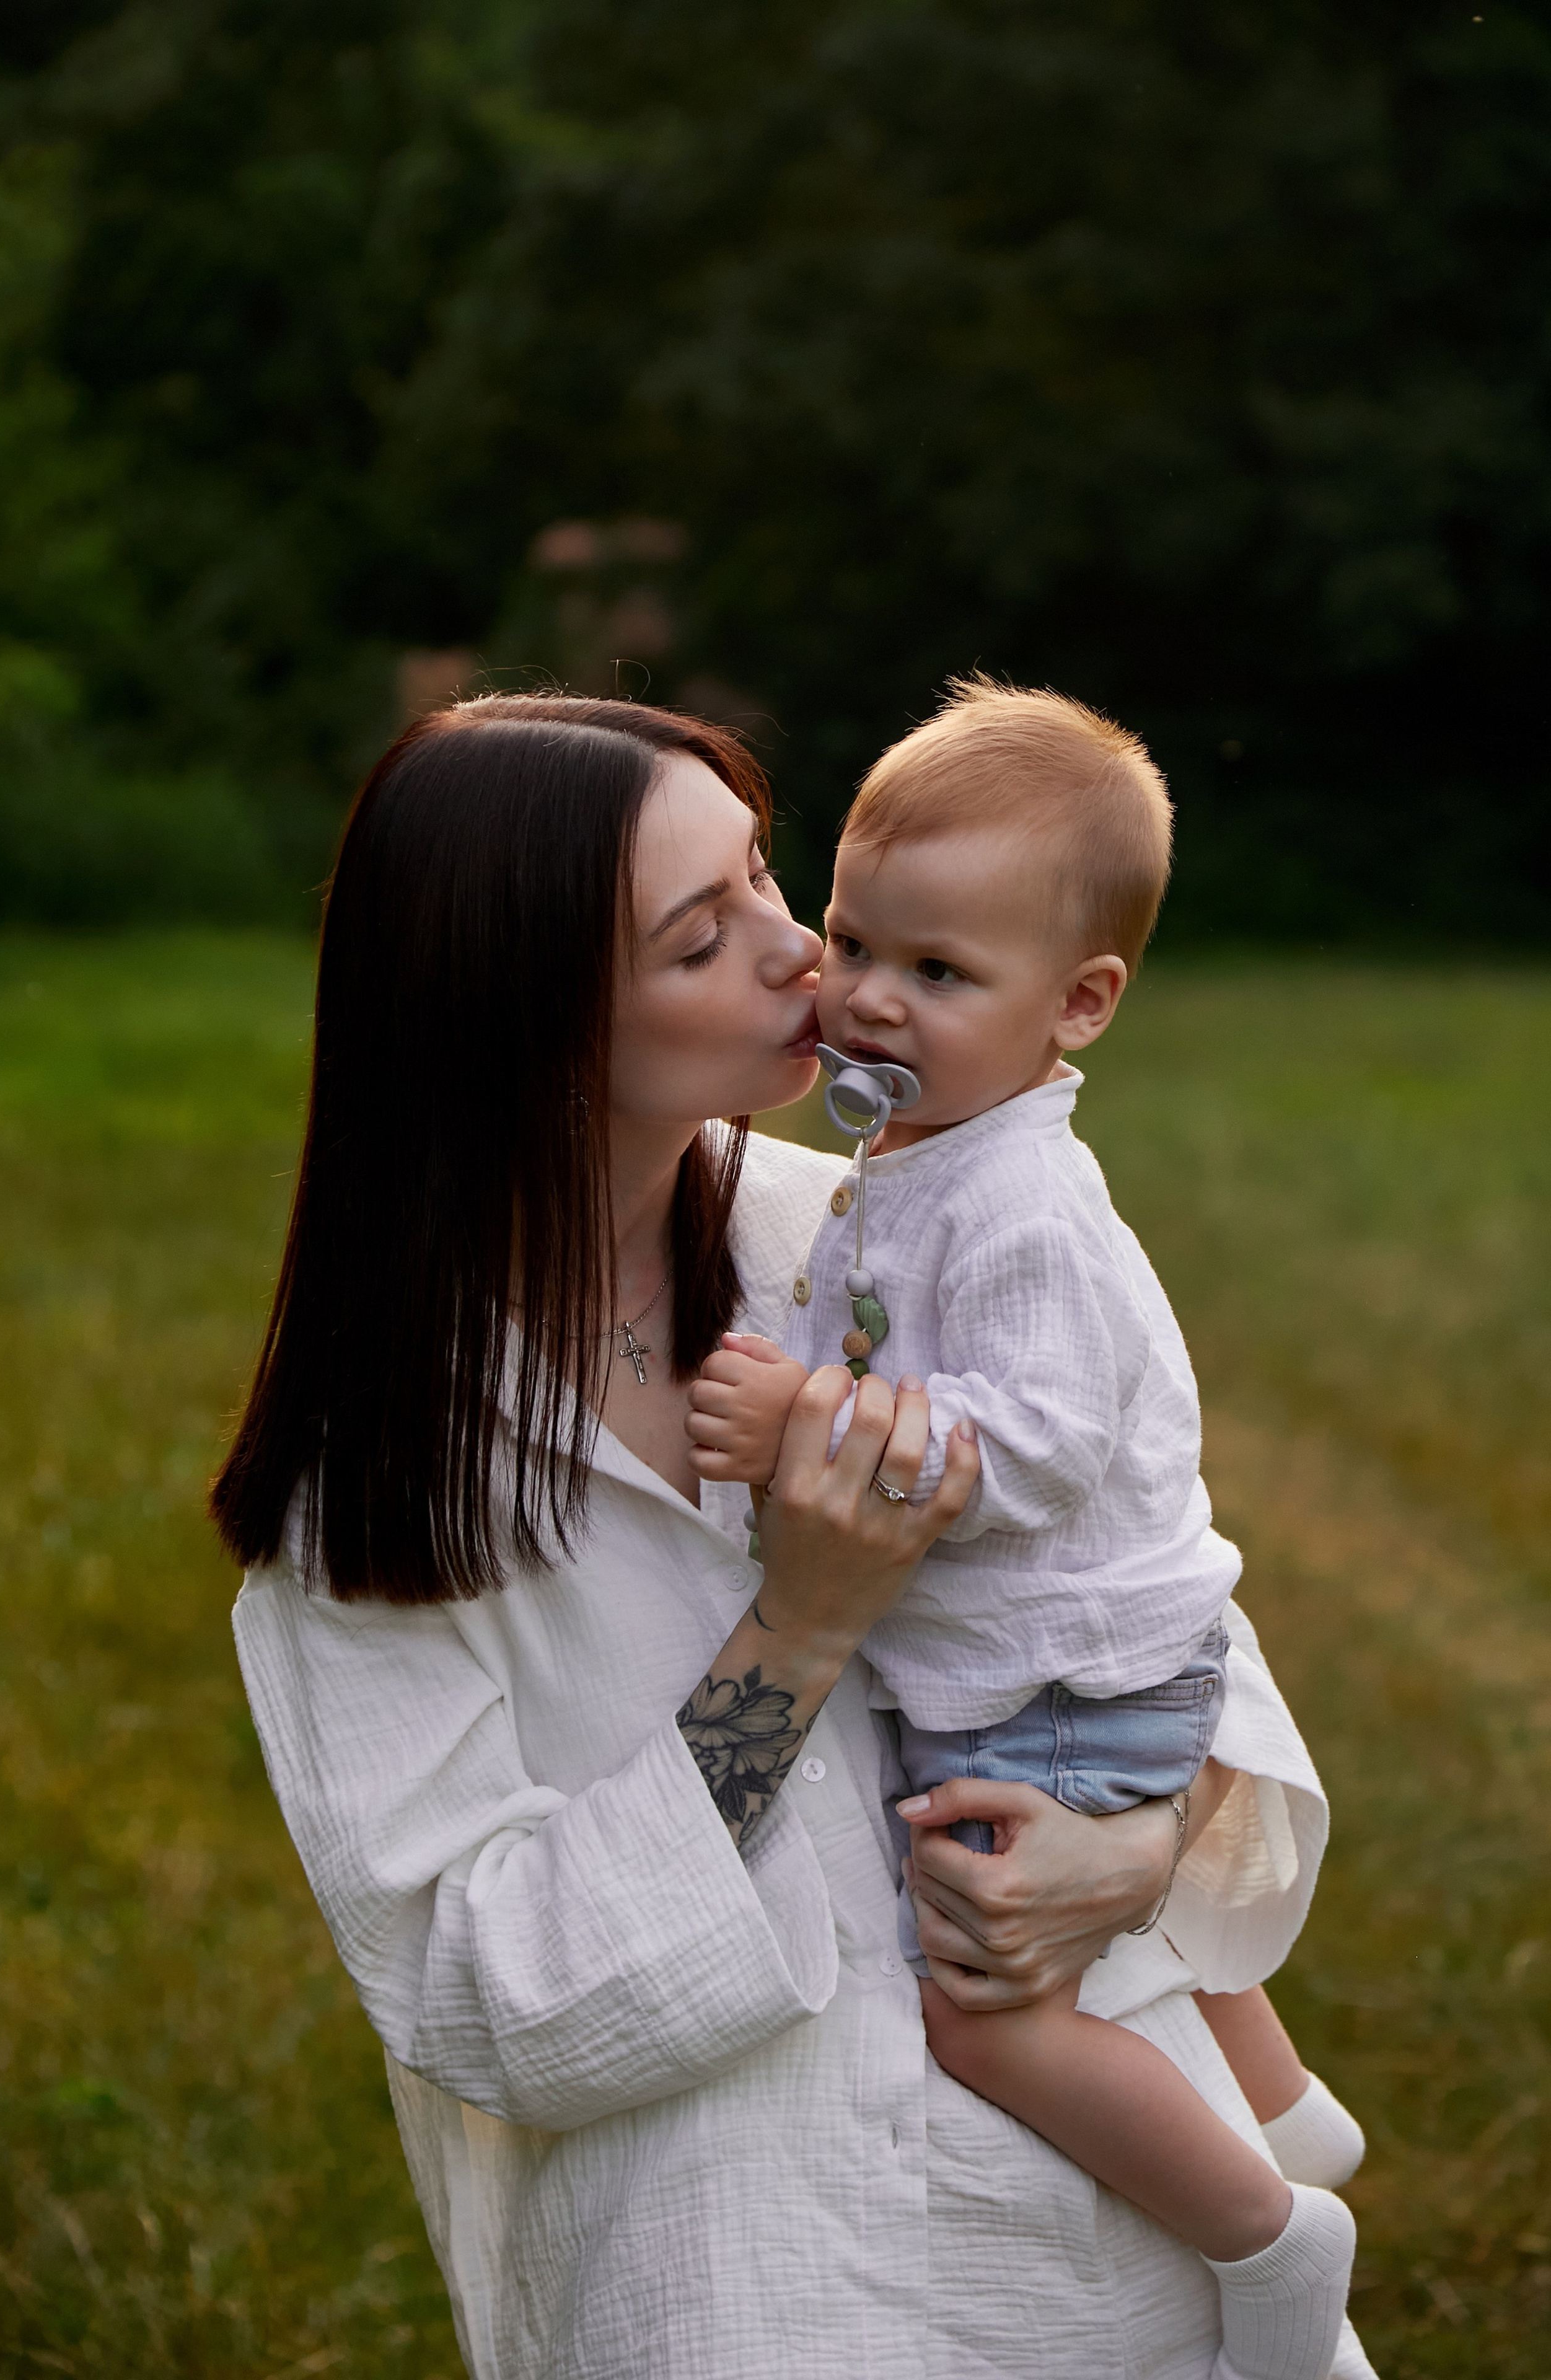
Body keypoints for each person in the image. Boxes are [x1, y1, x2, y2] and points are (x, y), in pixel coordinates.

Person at [216, 690, 1375, 2379]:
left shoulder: (882, 1226)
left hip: (1113, 2227)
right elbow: (483, 1994)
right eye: (710, 936)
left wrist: (1136, 1852)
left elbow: (1144, 1589)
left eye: (774, 881)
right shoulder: (380, 1480)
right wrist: (800, 1629)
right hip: (753, 2271)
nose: (801, 958)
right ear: (527, 1021)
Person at [687, 679, 1369, 2380]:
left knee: (994, 2021)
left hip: (1060, 1678)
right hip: (1091, 1657)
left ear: (1079, 1006)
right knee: (1103, 1906)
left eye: (936, 975)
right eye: (854, 940)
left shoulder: (1018, 1206)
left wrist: (805, 1430)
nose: (859, 997)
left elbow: (1043, 1452)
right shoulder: (929, 1153)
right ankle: (1287, 2109)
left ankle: (1273, 2242)